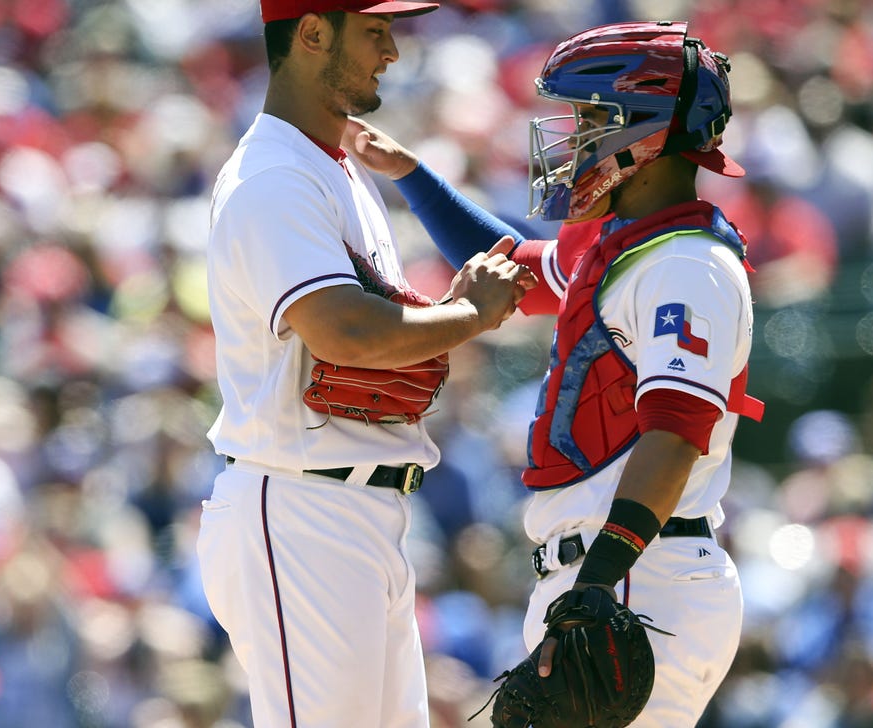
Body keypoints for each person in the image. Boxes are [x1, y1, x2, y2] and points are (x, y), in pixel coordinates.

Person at [344, 20, 763, 726]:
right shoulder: (629, 246)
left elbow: (675, 434)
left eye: (594, 118)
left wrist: (598, 580)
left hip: (635, 575)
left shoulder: (688, 265)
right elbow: (511, 266)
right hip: (613, 575)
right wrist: (411, 175)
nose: (575, 138)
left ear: (648, 132)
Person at [195, 2, 536, 727]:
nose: (392, 52)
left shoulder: (340, 170)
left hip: (356, 508)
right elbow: (345, 332)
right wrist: (468, 314)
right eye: (374, 32)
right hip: (301, 506)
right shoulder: (273, 176)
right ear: (313, 32)